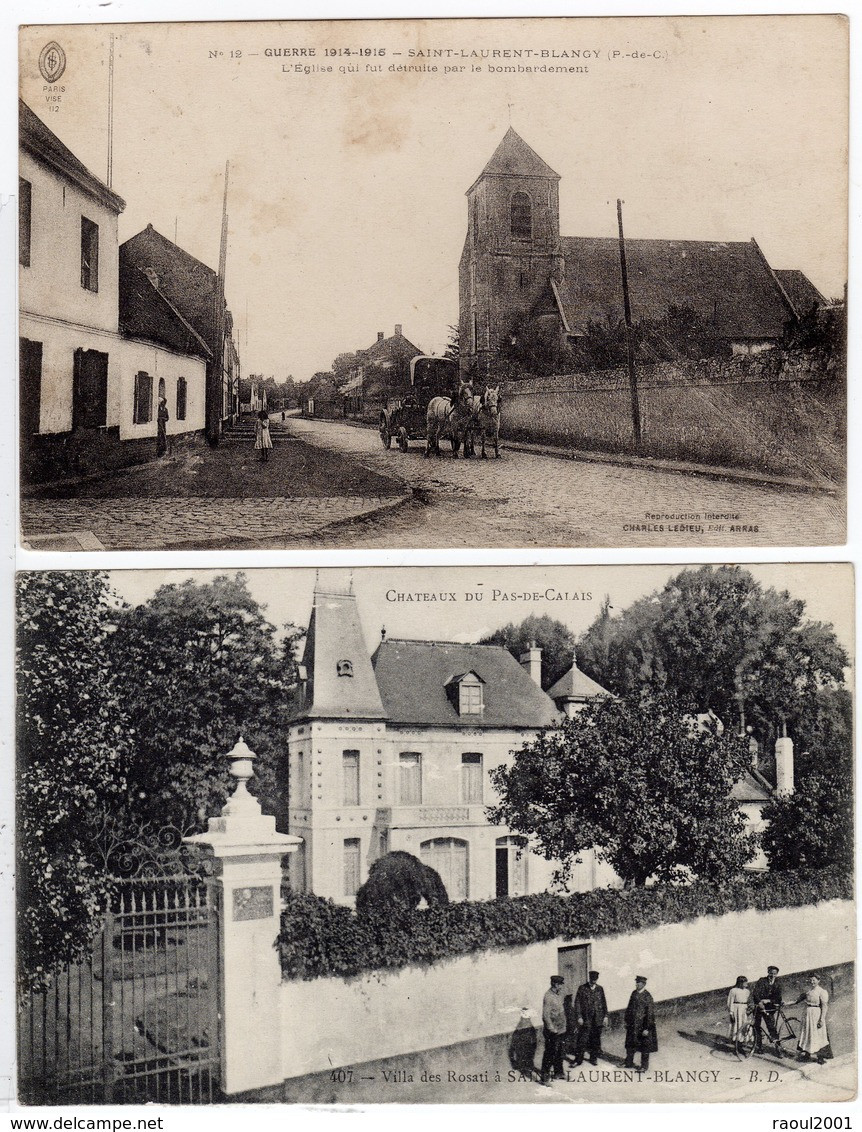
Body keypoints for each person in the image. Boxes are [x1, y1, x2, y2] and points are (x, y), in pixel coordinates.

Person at [572, 970, 609, 1066]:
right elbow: (577, 1004)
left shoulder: (600, 989)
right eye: (592, 980)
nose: (593, 982)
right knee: (582, 1040)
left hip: (597, 1020)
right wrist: (579, 1017)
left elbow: (604, 1003)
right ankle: (578, 1060)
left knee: (595, 1040)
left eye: (595, 980)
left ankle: (593, 1058)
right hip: (586, 1019)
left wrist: (605, 1016)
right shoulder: (582, 988)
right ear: (589, 978)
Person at [794, 975, 832, 1064]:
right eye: (810, 980)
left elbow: (825, 1006)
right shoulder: (808, 992)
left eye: (814, 980)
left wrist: (822, 1019)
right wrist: (784, 1003)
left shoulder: (822, 992)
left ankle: (820, 1057)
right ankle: (807, 1054)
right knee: (807, 1034)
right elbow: (796, 1001)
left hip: (816, 1014)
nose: (812, 982)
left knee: (819, 1035)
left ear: (818, 980)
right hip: (807, 1014)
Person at [624, 975, 658, 1070]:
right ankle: (628, 1062)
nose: (636, 984)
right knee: (630, 1044)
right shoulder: (634, 993)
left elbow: (650, 1014)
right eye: (636, 982)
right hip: (632, 1025)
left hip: (642, 1026)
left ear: (643, 984)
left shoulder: (648, 996)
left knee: (644, 1047)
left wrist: (647, 1028)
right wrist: (626, 1021)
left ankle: (644, 1066)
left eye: (638, 983)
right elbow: (629, 1008)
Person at [540, 975, 567, 1085]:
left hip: (561, 1029)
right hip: (553, 1031)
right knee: (550, 1053)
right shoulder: (548, 996)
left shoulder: (559, 995)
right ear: (556, 984)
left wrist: (563, 1026)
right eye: (560, 984)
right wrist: (552, 1029)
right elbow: (545, 1015)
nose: (561, 986)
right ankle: (544, 1077)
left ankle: (558, 1073)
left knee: (560, 1052)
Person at [752, 965, 784, 1055]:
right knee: (756, 1027)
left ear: (777, 974)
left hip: (770, 1008)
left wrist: (768, 1000)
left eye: (775, 974)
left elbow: (778, 998)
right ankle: (759, 1046)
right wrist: (759, 1002)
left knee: (772, 1028)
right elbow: (755, 993)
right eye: (771, 973)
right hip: (759, 1007)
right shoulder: (762, 981)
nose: (772, 975)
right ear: (768, 972)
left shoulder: (778, 983)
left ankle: (778, 1049)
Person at [727, 976, 751, 1043]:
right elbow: (730, 1001)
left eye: (746, 982)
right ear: (740, 983)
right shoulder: (733, 990)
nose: (746, 983)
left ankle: (743, 1038)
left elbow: (747, 1000)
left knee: (744, 1022)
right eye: (745, 982)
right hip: (736, 1009)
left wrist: (748, 1009)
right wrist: (731, 1012)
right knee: (737, 1023)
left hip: (744, 1008)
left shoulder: (747, 991)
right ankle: (736, 1039)